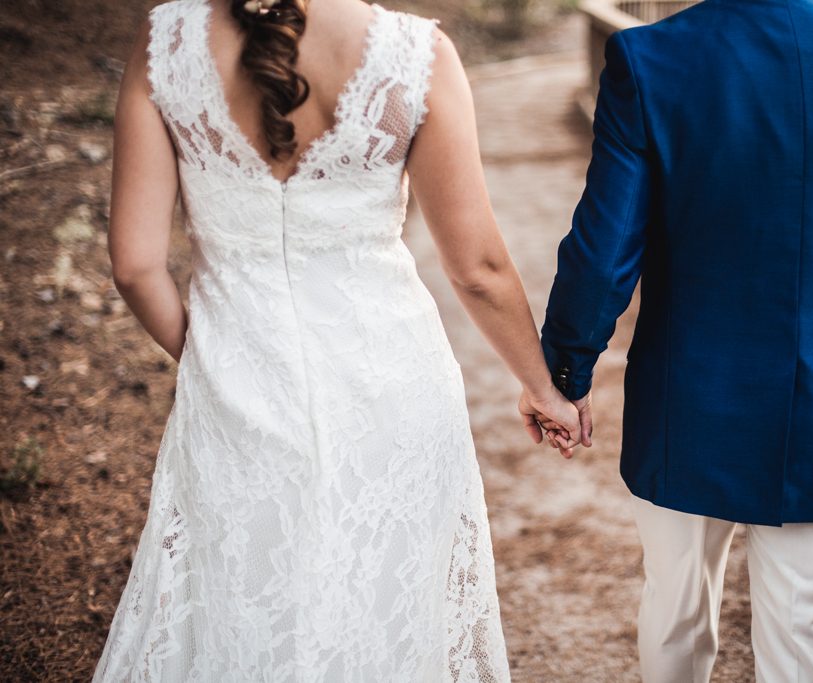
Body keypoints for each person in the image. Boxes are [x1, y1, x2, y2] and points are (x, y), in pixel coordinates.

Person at [93, 0, 580, 680]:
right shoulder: (418, 55)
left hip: (238, 390)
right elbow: (479, 269)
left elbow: (135, 265)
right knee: (385, 605)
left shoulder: (167, 39)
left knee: (240, 598)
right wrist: (541, 385)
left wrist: (214, 358)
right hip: (393, 385)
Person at [536, 0, 813, 680]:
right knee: (807, 643)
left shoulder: (653, 58)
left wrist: (567, 374)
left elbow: (604, 255)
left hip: (689, 399)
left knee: (675, 613)